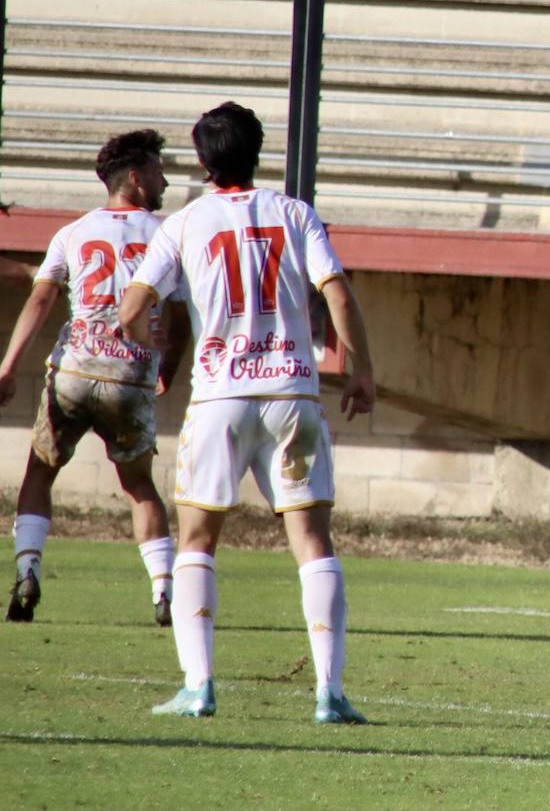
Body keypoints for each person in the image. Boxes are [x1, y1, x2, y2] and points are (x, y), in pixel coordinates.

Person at [119, 102, 376, 724]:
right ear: (258, 150)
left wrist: (151, 344)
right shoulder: (294, 213)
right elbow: (335, 290)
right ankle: (329, 693)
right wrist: (361, 368)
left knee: (199, 539)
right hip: (292, 393)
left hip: (220, 399)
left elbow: (133, 305)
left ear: (203, 161)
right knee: (313, 541)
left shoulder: (183, 223)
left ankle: (198, 687)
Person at [0, 129, 186, 626]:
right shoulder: (168, 233)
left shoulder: (74, 232)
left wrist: (8, 366)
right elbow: (181, 315)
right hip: (130, 377)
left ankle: (28, 569)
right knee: (140, 485)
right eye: (157, 169)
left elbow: (41, 299)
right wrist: (168, 368)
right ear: (134, 177)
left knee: (41, 470)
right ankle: (164, 592)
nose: (164, 178)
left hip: (74, 372)